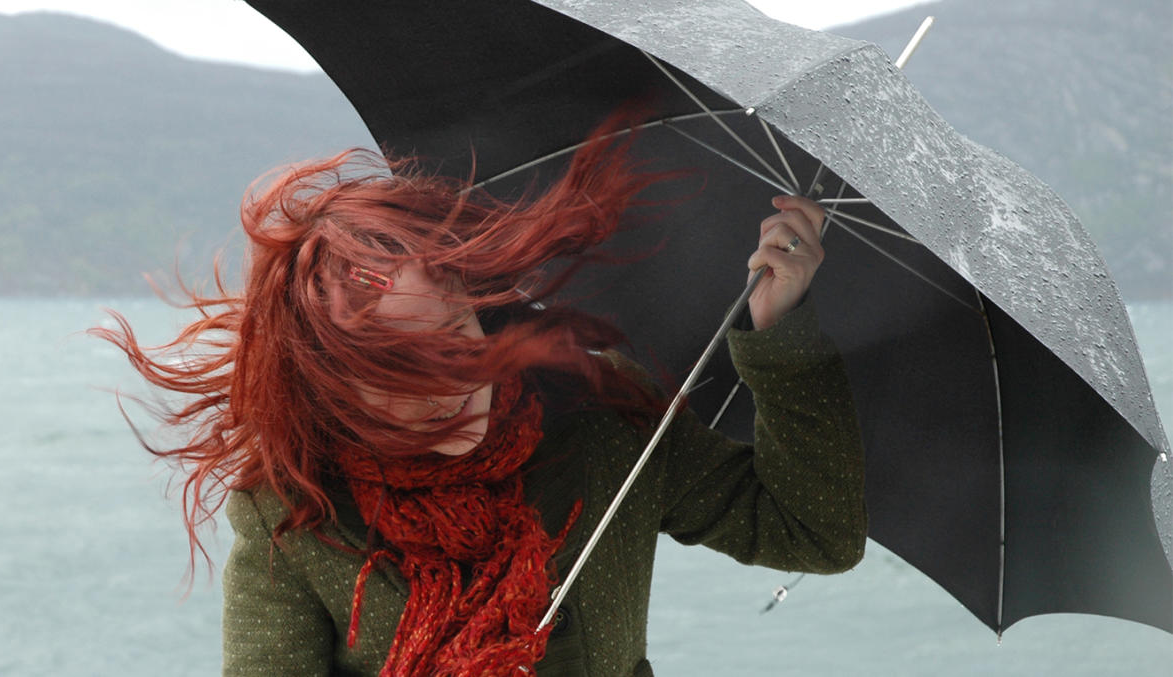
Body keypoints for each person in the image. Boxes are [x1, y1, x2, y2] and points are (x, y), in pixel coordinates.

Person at [96, 121, 866, 676]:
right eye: (404, 371)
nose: (452, 385)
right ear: (333, 378)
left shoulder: (600, 414)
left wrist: (783, 335)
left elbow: (814, 534)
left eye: (459, 345)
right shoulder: (293, 507)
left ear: (472, 296)